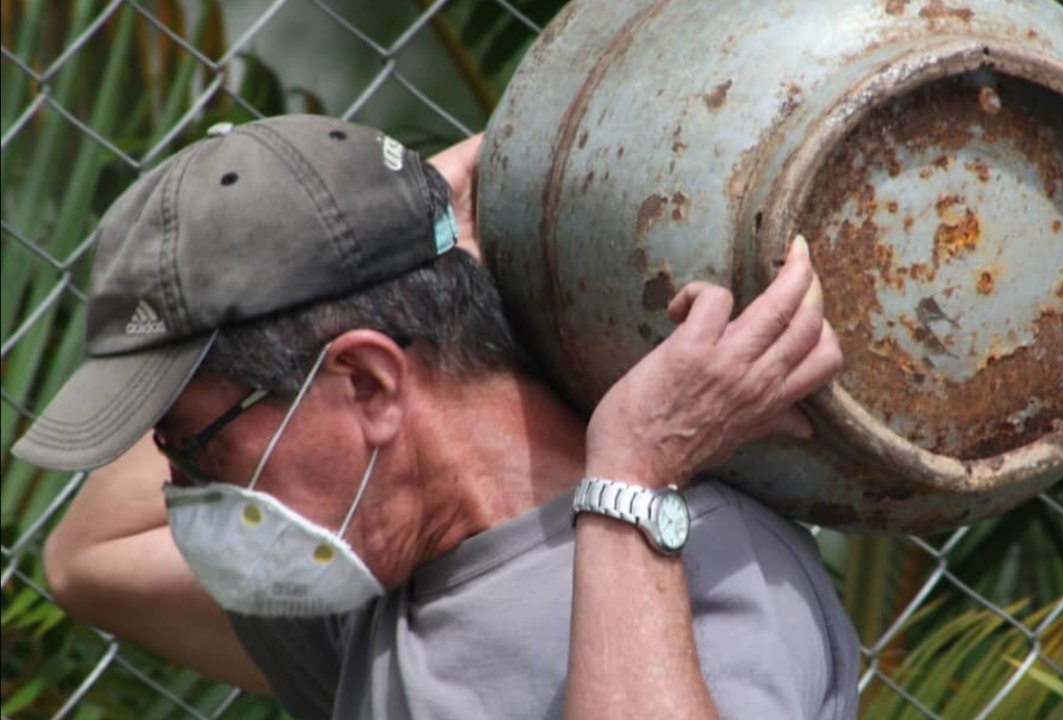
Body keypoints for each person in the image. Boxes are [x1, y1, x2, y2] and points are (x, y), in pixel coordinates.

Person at [18, 115, 859, 719]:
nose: (181, 491)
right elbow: (88, 559)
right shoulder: (371, 594)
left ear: (370, 385)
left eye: (197, 445)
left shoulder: (717, 568)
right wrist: (395, 231)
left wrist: (634, 477)